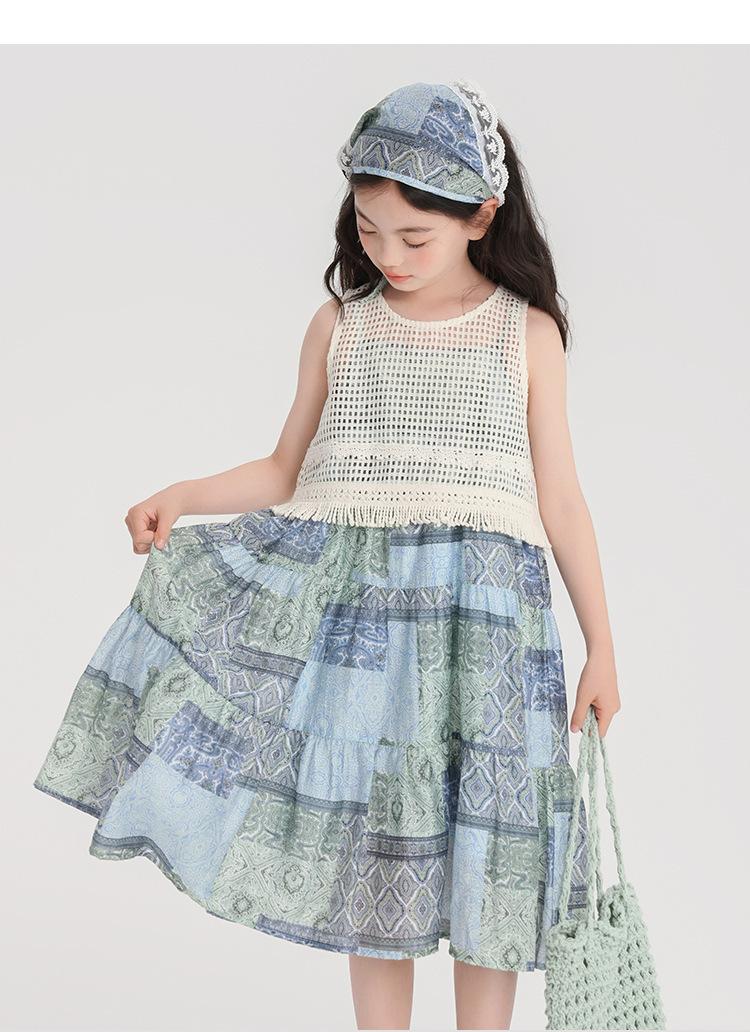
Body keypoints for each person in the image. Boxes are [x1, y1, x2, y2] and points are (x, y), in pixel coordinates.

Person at [33, 78, 621, 1030]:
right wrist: (184, 494)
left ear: (481, 215)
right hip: (366, 634)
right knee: (372, 855)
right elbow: (284, 469)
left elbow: (560, 500)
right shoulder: (341, 327)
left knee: (490, 855)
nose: (387, 255)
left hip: (489, 635)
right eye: (369, 230)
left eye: (414, 238)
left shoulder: (526, 333)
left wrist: (603, 645)